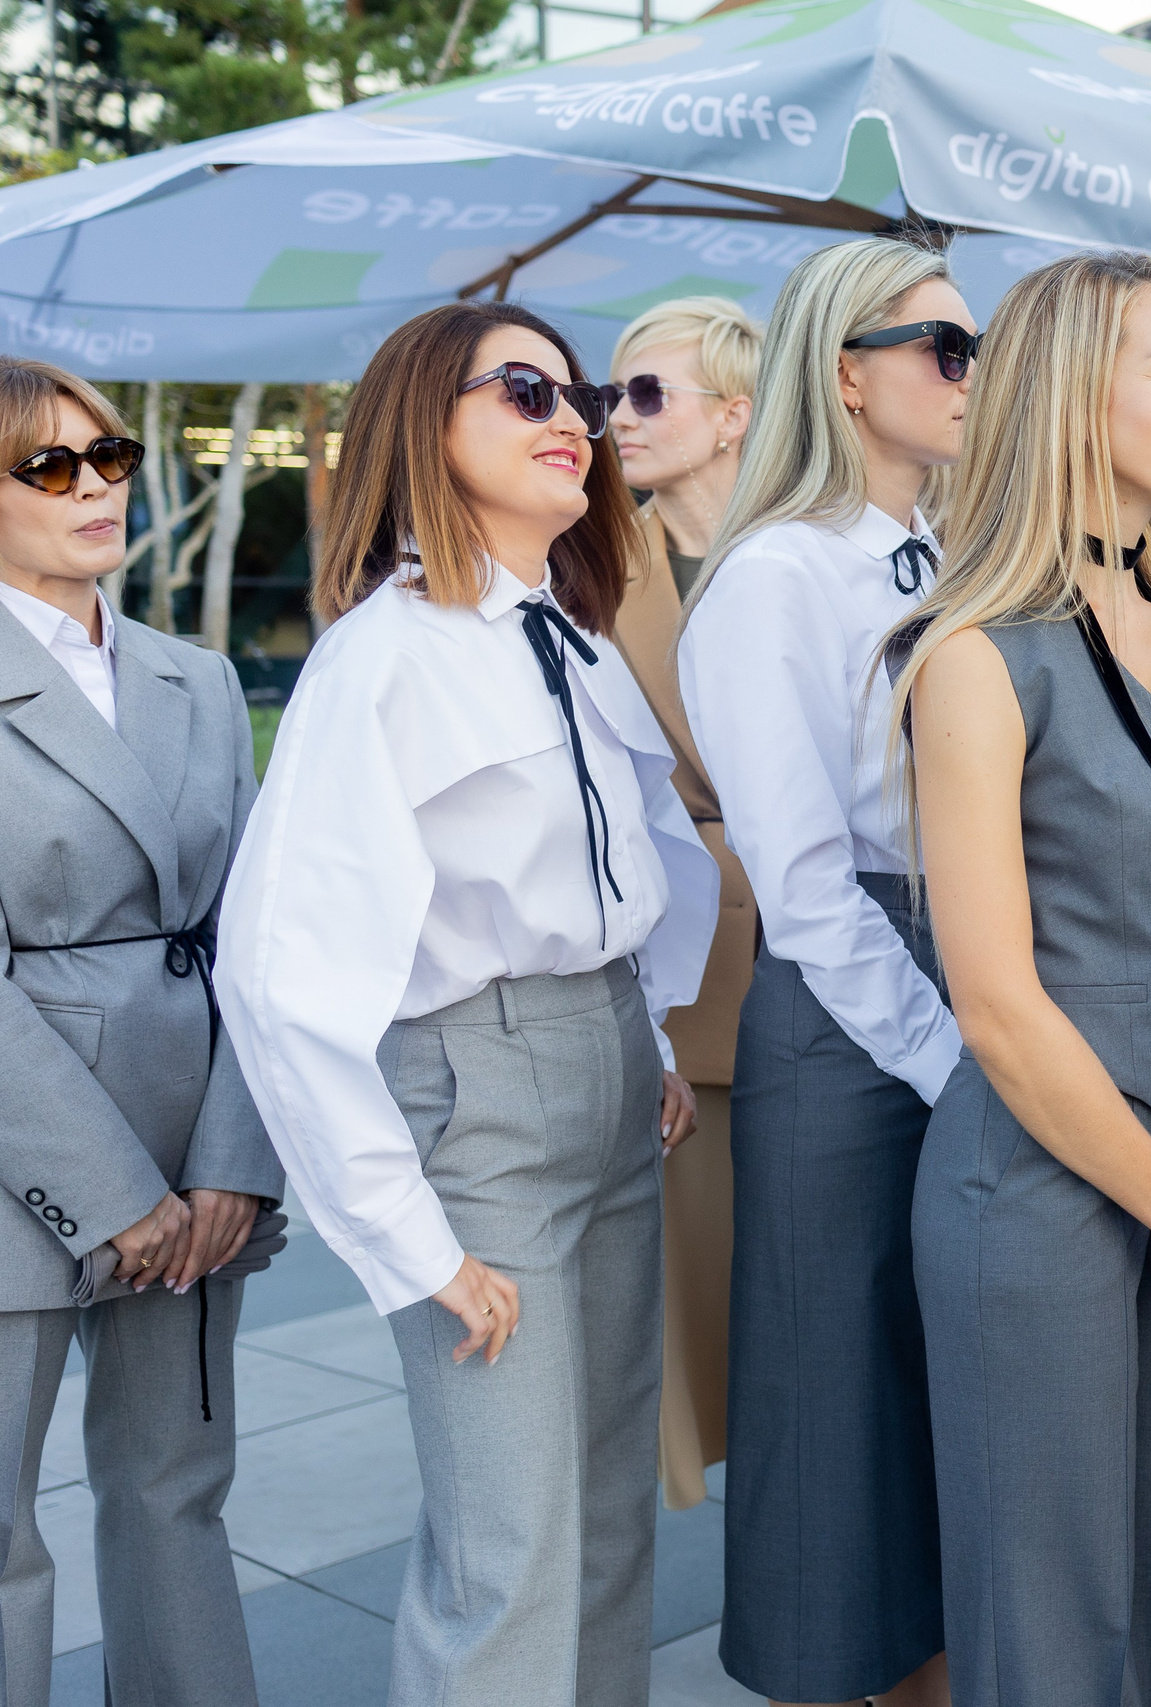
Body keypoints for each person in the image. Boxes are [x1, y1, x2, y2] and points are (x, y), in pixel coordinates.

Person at [216, 302, 717, 1704]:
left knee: (613, 1515)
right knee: (506, 1548)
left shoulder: (572, 635)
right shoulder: (385, 655)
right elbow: (281, 966)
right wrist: (403, 1235)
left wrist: (652, 1034)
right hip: (480, 1102)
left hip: (611, 1068)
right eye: (525, 390)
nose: (576, 417)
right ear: (422, 419)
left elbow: (629, 862)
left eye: (585, 393)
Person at [892, 250, 1151, 1707]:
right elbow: (995, 1000)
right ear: (1074, 394)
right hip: (1045, 1192)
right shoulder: (975, 656)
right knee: (1049, 1629)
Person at [677, 238, 969, 1707]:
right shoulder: (771, 574)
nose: (978, 377)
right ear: (848, 373)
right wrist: (957, 1063)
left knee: (933, 1422)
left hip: (960, 976)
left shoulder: (961, 554)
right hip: (858, 1006)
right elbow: (801, 885)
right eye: (948, 348)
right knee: (833, 1425)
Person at [0, 358, 283, 1707]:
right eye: (47, 466)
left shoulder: (199, 676)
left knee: (176, 1492)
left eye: (106, 453)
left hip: (201, 1148)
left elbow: (258, 934)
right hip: (25, 1153)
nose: (97, 485)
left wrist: (236, 1157)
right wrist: (112, 1192)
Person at [604, 295, 761, 1512]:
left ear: (736, 415)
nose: (613, 420)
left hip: (864, 971)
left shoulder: (835, 549)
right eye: (610, 396)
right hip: (690, 983)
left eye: (646, 394)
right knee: (717, 1322)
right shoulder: (589, 567)